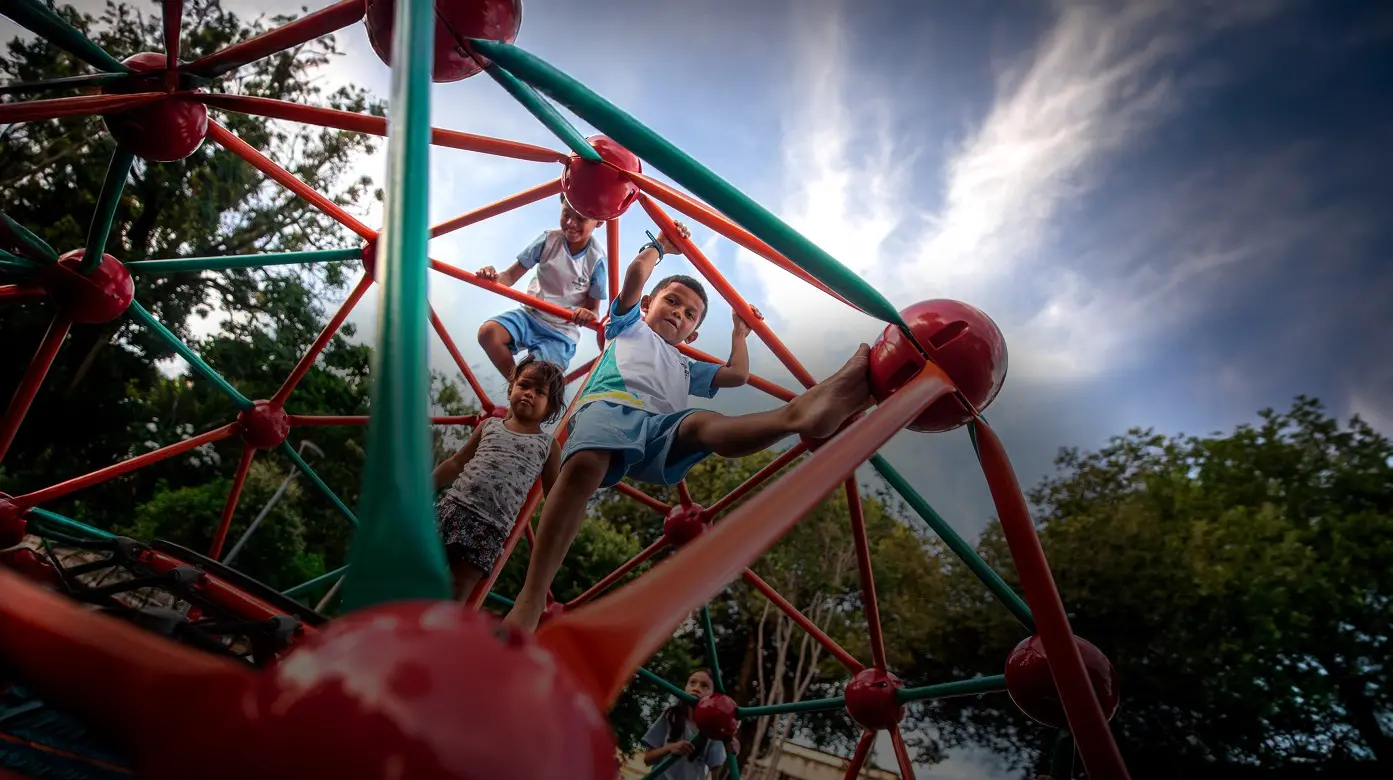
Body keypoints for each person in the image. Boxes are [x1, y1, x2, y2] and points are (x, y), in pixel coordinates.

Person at [502, 221, 872, 629]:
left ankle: (796, 417)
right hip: (610, 407)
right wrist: (659, 247)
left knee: (702, 426)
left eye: (688, 313)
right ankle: (533, 595)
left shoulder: (686, 363)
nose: (678, 313)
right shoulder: (627, 326)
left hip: (659, 429)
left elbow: (737, 376)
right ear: (647, 306)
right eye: (672, 302)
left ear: (693, 333)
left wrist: (740, 333)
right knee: (586, 465)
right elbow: (634, 276)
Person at [432, 355, 566, 600]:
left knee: (458, 588)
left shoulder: (548, 446)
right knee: (420, 568)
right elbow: (456, 463)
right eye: (524, 385)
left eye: (540, 392)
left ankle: (438, 635)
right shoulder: (490, 425)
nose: (529, 394)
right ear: (510, 390)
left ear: (551, 408)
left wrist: (558, 536)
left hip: (490, 528)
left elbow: (554, 498)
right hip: (452, 508)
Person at [476, 195, 607, 380]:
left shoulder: (597, 260)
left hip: (560, 332)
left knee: (538, 377)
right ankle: (515, 383)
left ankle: (528, 386)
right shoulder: (548, 240)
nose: (570, 222)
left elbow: (593, 310)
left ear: (599, 222)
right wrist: (492, 276)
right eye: (566, 214)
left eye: (580, 218)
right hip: (531, 315)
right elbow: (509, 277)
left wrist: (588, 314)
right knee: (488, 333)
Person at [640, 669, 738, 778]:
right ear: (685, 687)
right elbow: (647, 759)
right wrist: (669, 748)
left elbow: (716, 772)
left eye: (704, 686)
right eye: (692, 683)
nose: (696, 688)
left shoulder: (713, 730)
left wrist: (731, 753)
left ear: (714, 697)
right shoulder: (670, 716)